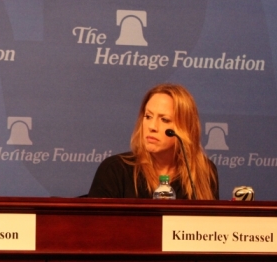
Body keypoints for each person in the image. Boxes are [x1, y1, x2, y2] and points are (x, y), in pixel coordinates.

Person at [88, 83, 218, 199]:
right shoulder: (115, 170)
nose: (152, 127)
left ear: (186, 128)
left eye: (165, 120)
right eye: (148, 116)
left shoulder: (204, 171)